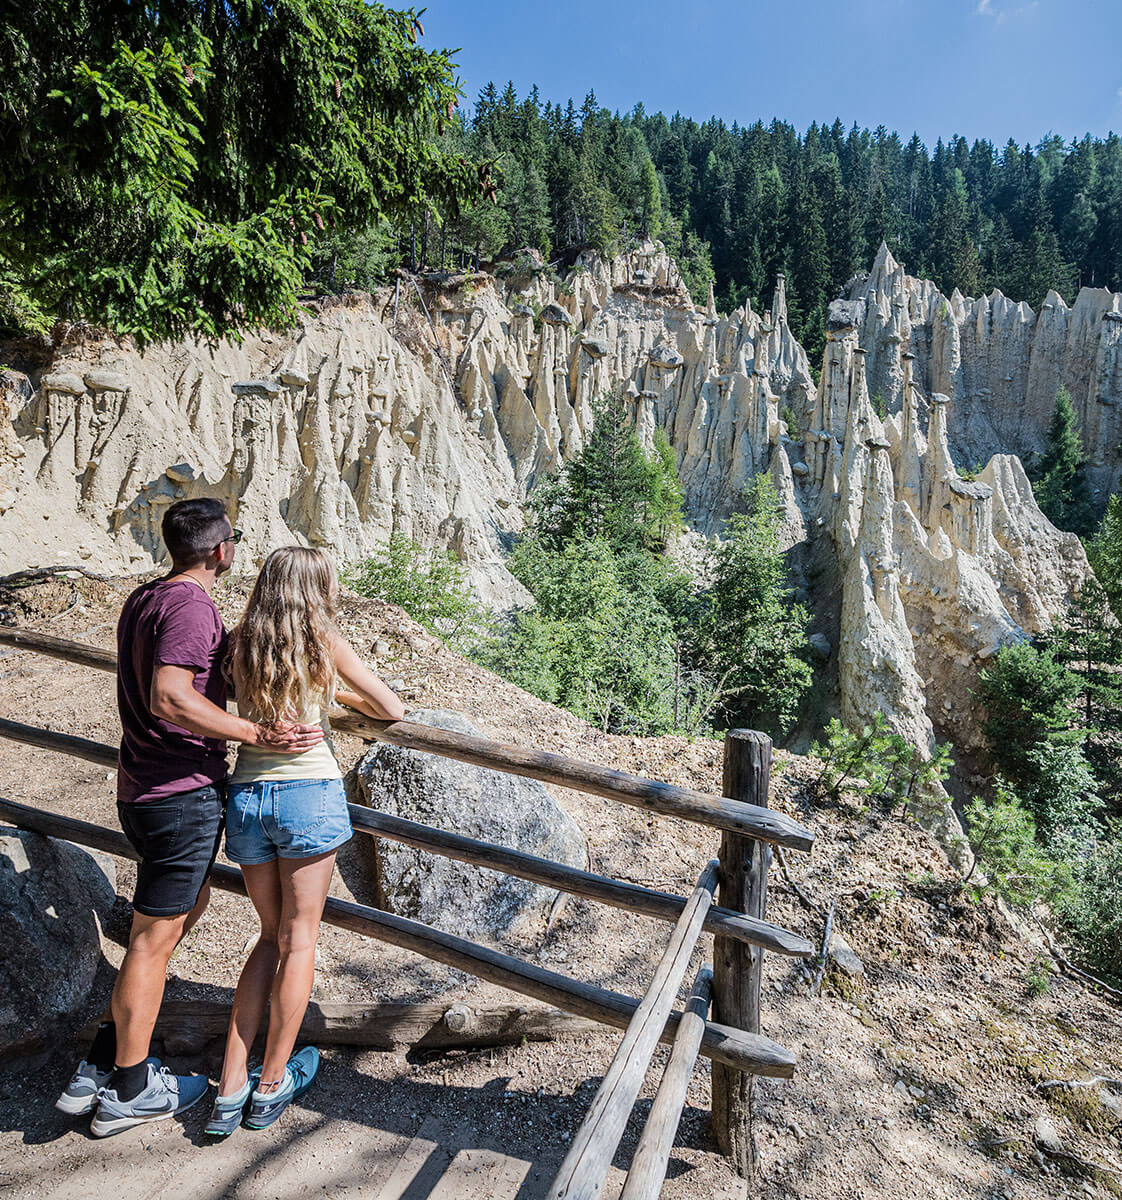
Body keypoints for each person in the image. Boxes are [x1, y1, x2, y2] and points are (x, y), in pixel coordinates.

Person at [55, 499, 325, 1137]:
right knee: (153, 941)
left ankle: (100, 1062)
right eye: (234, 539)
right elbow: (170, 695)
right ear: (220, 550)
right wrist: (254, 729)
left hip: (143, 789)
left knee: (163, 933)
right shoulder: (191, 606)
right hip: (178, 795)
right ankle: (128, 1087)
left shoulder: (145, 597)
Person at [204, 546, 404, 1137]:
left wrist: (316, 695)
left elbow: (240, 699)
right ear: (317, 587)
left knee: (267, 937)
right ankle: (271, 1086)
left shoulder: (240, 641)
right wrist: (330, 694)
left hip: (246, 797)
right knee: (300, 942)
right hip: (305, 796)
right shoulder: (321, 642)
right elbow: (390, 707)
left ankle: (228, 1087)